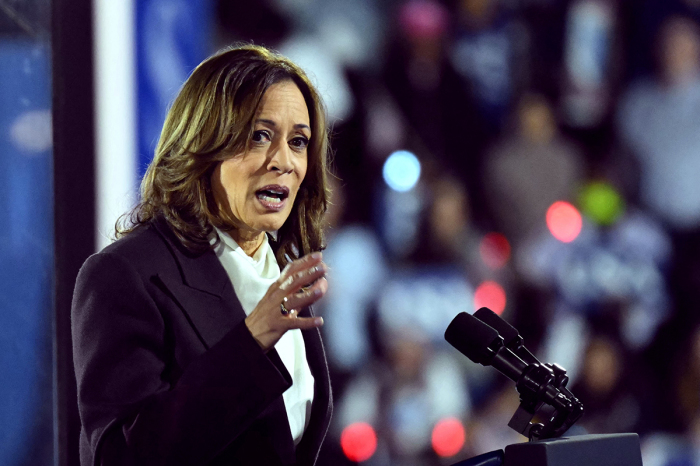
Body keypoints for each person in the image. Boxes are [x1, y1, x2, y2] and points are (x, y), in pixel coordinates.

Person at [71, 44, 333, 466]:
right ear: (205, 143)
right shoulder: (126, 274)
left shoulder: (281, 273)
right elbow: (119, 457)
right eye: (259, 136)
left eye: (298, 142)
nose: (284, 161)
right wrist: (250, 345)